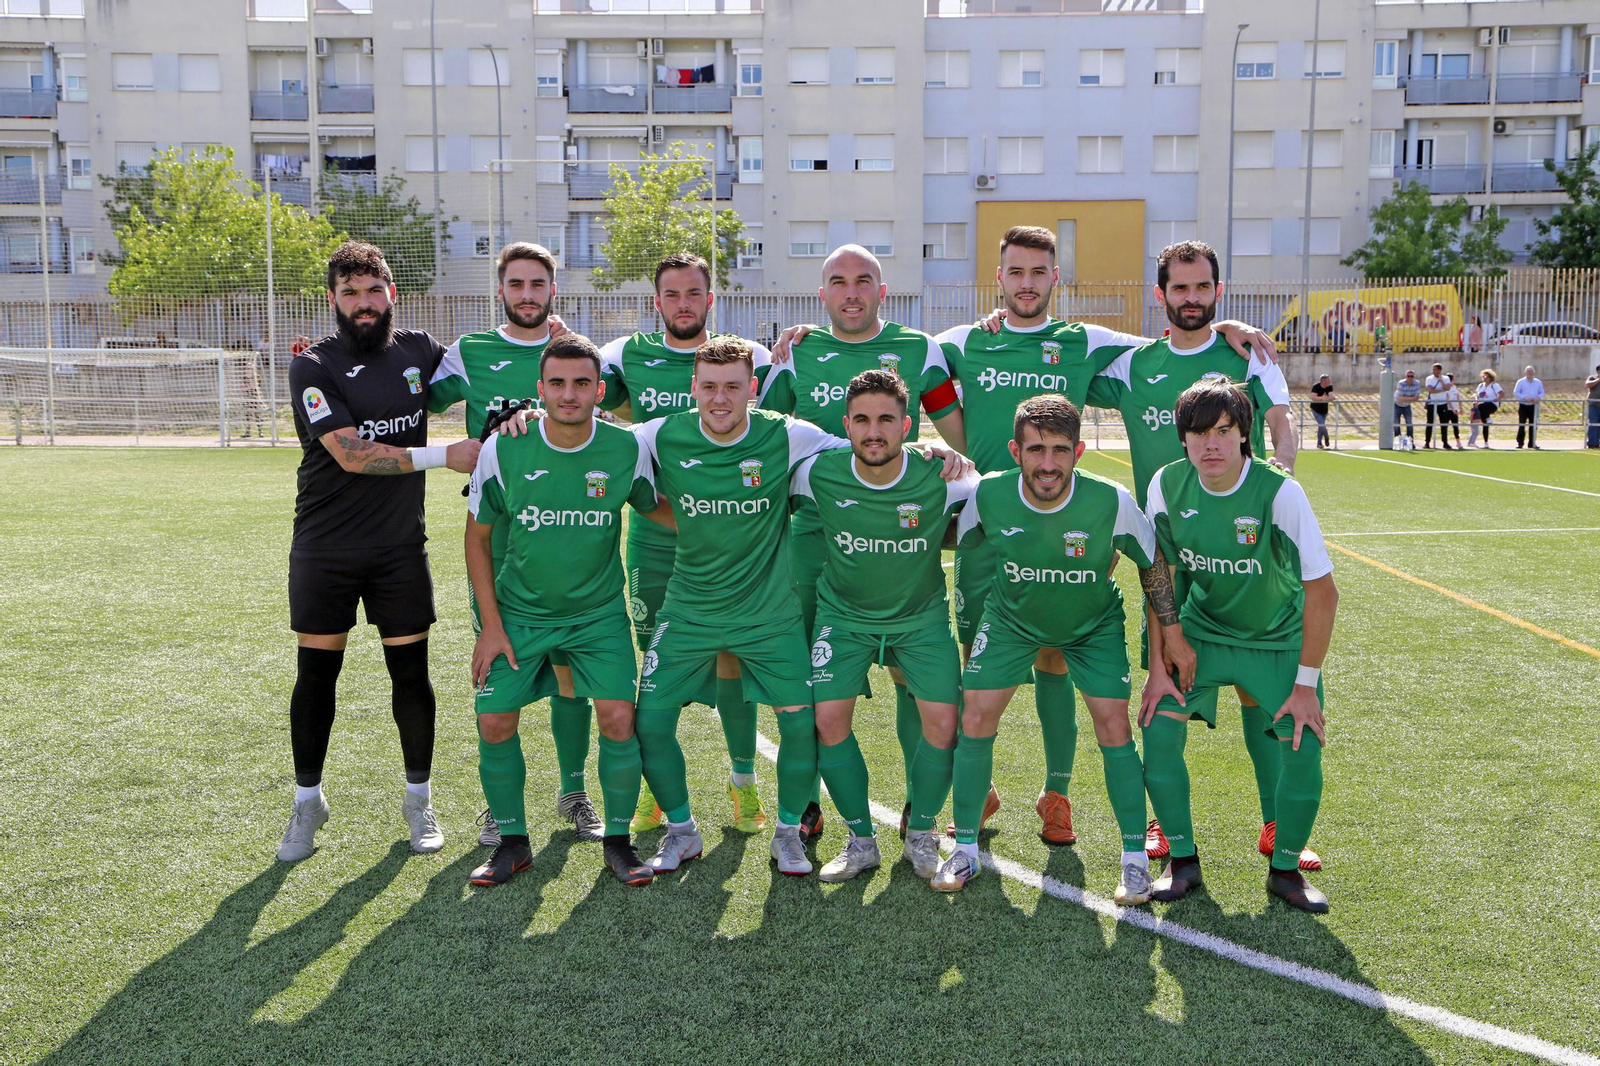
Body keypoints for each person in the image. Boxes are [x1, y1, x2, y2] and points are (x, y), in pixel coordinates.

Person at [933, 229, 1274, 848]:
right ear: (1000, 277)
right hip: (990, 524)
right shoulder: (963, 342)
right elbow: (910, 366)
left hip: (1063, 524)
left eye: (1040, 272)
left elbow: (1174, 342)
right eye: (1016, 272)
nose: (1027, 283)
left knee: (1055, 657)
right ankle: (972, 789)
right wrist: (951, 448)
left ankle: (1056, 793)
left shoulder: (1084, 342)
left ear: (1055, 279)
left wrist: (1230, 328)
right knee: (974, 665)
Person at [1085, 240, 1315, 871]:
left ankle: (1277, 824)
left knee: (1257, 698)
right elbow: (1063, 357)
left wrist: (1279, 481)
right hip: (1165, 554)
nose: (1192, 298)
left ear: (1218, 289)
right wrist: (999, 321)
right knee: (1164, 689)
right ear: (1160, 294)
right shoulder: (1134, 365)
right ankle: (1165, 828)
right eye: (1179, 288)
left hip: (1243, 548)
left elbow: (1282, 428)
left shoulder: (1249, 353)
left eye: (1203, 287)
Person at [940, 394, 1193, 905]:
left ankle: (1133, 861)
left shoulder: (1110, 500)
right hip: (1011, 620)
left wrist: (1173, 635)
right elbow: (948, 538)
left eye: (1059, 449)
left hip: (1091, 625)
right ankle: (965, 846)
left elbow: (1151, 562)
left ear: (1078, 450)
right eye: (1036, 449)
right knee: (975, 714)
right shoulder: (988, 496)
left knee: (1114, 725)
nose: (1048, 463)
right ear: (1015, 450)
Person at [278, 240, 485, 863]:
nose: (363, 304)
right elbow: (348, 451)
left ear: (391, 293)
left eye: (373, 291)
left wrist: (546, 334)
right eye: (349, 294)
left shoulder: (422, 351)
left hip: (399, 547)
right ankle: (307, 801)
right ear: (333, 300)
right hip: (324, 547)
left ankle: (418, 801)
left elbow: (496, 367)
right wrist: (440, 455)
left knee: (410, 675)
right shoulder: (312, 365)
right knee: (317, 676)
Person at [758, 243, 966, 836]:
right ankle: (810, 800)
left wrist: (945, 454)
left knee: (909, 671)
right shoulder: (797, 353)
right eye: (839, 281)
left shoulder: (919, 348)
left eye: (864, 280)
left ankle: (917, 799)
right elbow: (764, 433)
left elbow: (957, 434)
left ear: (882, 288)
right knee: (810, 682)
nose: (852, 292)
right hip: (812, 535)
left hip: (895, 530)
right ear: (822, 293)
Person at [465, 334, 674, 888]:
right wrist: (490, 626)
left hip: (597, 615)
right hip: (520, 614)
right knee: (494, 722)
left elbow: (660, 510)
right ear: (540, 390)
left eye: (582, 383)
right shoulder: (503, 447)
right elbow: (477, 537)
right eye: (556, 383)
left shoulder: (625, 448)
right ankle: (512, 842)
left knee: (618, 718)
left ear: (599, 390)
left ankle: (619, 841)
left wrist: (735, 524)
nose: (569, 394)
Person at [427, 242, 605, 847]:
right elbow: (413, 405)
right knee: (498, 668)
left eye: (538, 284)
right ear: (500, 290)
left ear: (554, 289)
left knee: (570, 674)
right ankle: (499, 809)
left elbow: (621, 409)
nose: (528, 295)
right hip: (500, 538)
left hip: (573, 539)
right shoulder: (470, 351)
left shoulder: (574, 352)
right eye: (516, 285)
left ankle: (574, 790)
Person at [1140, 377, 1339, 913]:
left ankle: (1286, 868)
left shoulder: (1279, 492)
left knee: (1302, 743)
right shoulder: (1167, 483)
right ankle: (1181, 861)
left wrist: (1305, 686)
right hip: (1202, 631)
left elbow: (1323, 593)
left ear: (1244, 435)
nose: (1211, 445)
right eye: (1199, 433)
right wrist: (1161, 661)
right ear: (1182, 438)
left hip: (1276, 637)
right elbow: (1160, 570)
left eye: (1224, 432)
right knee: (1159, 728)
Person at [597, 253, 776, 839]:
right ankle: (657, 790)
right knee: (656, 667)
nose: (682, 304)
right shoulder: (625, 355)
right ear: (657, 302)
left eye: (693, 293)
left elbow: (775, 430)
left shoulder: (748, 359)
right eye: (671, 294)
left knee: (733, 658)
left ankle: (743, 782)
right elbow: (592, 409)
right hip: (656, 537)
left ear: (709, 299)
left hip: (731, 542)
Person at [789, 369, 979, 882]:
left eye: (887, 420)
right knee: (828, 722)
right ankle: (860, 840)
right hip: (843, 619)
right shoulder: (816, 473)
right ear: (846, 425)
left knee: (943, 725)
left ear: (907, 424)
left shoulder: (946, 477)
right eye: (863, 420)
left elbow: (994, 521)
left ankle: (921, 833)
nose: (874, 431)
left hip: (919, 621)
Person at [1469, 369, 1502, 449]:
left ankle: (1488, 418)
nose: (1484, 378)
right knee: (1485, 425)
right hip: (1483, 407)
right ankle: (1486, 443)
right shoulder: (1481, 386)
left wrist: (1497, 398)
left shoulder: (1494, 385)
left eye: (1486, 376)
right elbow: (1477, 394)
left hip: (1492, 404)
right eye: (1483, 376)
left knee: (1481, 406)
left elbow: (1501, 393)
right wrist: (1475, 398)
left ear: (1490, 377)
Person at [1514, 365, 1544, 450]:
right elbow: (1516, 392)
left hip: (1534, 406)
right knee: (1522, 424)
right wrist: (1524, 397)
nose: (1530, 373)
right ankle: (1520, 443)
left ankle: (1532, 443)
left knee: (1533, 425)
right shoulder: (1520, 382)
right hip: (1523, 406)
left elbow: (1542, 392)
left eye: (1531, 371)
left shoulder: (1538, 382)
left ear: (1534, 372)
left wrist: (1538, 397)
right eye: (1528, 371)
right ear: (1525, 372)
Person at [1424, 362, 1450, 450]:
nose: (1433, 371)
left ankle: (1445, 442)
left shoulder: (1446, 378)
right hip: (1432, 403)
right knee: (1430, 423)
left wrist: (1441, 380)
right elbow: (1430, 390)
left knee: (1444, 423)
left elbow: (1448, 388)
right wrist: (1442, 390)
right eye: (1433, 369)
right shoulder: (1429, 378)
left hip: (1443, 404)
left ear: (1439, 370)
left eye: (1435, 369)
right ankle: (1427, 442)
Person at [1393, 369, 1420, 447]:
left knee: (1409, 424)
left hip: (1407, 405)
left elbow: (1417, 397)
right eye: (1408, 376)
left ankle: (1410, 441)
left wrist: (1407, 398)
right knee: (1396, 424)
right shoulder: (1401, 383)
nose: (1410, 378)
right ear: (1406, 377)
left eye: (1412, 376)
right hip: (1397, 405)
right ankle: (1398, 441)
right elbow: (1399, 398)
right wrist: (1412, 398)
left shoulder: (1417, 383)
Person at [1309, 373, 1333, 450]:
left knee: (1321, 426)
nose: (1330, 381)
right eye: (1328, 380)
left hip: (1324, 409)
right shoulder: (1316, 387)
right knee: (1322, 424)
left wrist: (1327, 398)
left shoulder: (1330, 387)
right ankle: (1326, 437)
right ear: (1323, 381)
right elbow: (1313, 397)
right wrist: (1322, 398)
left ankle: (1319, 443)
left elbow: (1331, 397)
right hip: (1316, 409)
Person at [1440, 374, 1464, 449]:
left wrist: (1460, 408)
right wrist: (1453, 409)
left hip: (1455, 410)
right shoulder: (1447, 388)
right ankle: (1445, 442)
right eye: (1453, 379)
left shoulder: (1454, 388)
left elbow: (1458, 398)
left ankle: (1458, 441)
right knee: (1445, 426)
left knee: (1455, 426)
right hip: (1448, 410)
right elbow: (1448, 400)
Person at [1586, 364, 1600, 449]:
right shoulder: (1592, 378)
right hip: (1593, 405)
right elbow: (1588, 385)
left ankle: (1597, 443)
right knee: (1593, 424)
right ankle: (1592, 443)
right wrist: (1598, 379)